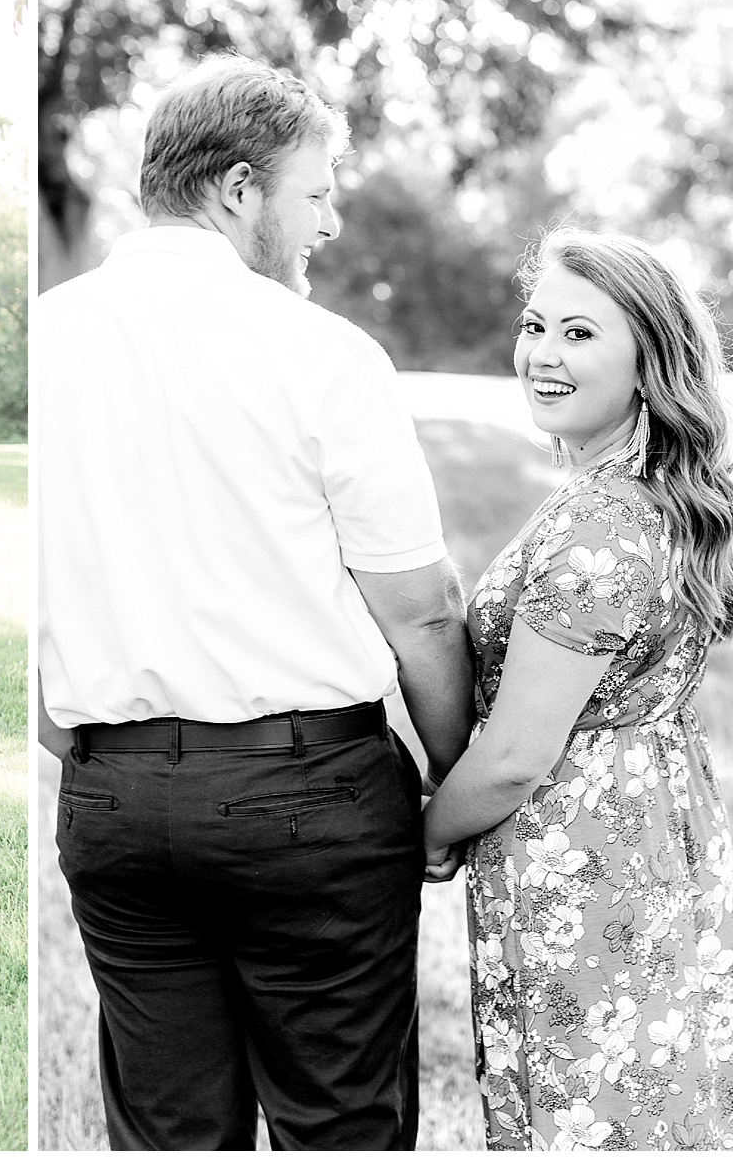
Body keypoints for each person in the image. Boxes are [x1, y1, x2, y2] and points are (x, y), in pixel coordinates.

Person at [37, 56, 476, 1149]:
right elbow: (419, 610)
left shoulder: (39, 341)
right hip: (310, 797)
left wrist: (94, 753)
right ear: (240, 189)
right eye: (316, 193)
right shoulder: (321, 351)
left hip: (114, 802)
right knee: (339, 1128)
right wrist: (453, 779)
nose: (327, 223)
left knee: (172, 1135)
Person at [422, 228, 733, 1149]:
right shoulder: (641, 490)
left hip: (585, 860)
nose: (540, 354)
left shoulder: (600, 526)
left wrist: (424, 832)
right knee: (656, 1096)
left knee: (590, 1106)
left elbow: (513, 756)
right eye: (534, 326)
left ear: (651, 361)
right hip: (649, 830)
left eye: (580, 335)